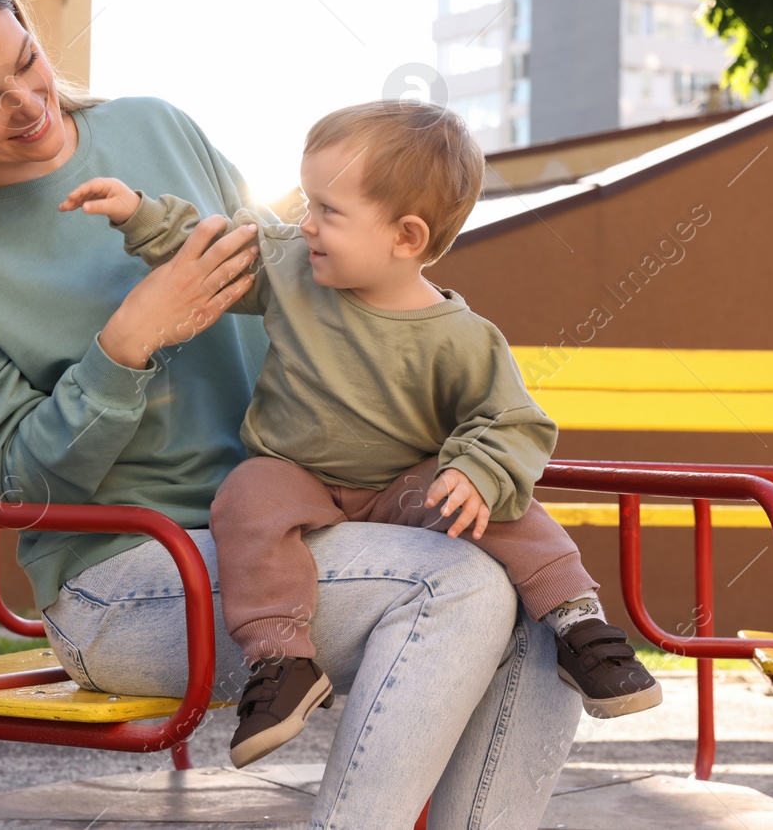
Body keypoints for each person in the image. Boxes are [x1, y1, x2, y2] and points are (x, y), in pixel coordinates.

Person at [0, 0, 581, 829]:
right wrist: (127, 342)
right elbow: (25, 485)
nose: (31, 106)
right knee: (455, 586)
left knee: (542, 603)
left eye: (27, 62)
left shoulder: (158, 128)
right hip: (123, 577)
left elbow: (307, 290)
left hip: (301, 521)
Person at [58, 100, 661, 768]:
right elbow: (218, 247)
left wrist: (477, 472)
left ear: (405, 237)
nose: (305, 223)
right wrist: (139, 212)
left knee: (504, 506)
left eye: (328, 211)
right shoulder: (289, 266)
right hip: (298, 474)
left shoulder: (459, 336)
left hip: (403, 485)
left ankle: (579, 623)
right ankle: (282, 661)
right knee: (245, 500)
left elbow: (514, 422)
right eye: (307, 202)